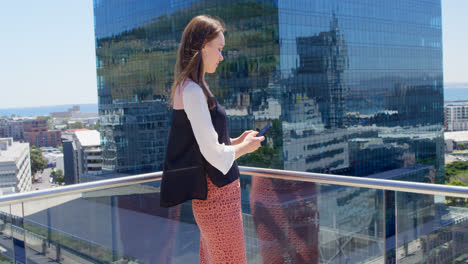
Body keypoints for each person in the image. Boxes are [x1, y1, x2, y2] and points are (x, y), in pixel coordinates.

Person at [160, 15, 264, 263]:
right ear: (202, 46)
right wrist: (245, 148)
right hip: (217, 198)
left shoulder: (191, 86)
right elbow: (213, 155)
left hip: (218, 196)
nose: (221, 56)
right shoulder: (193, 90)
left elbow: (206, 143)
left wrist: (237, 141)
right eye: (219, 49)